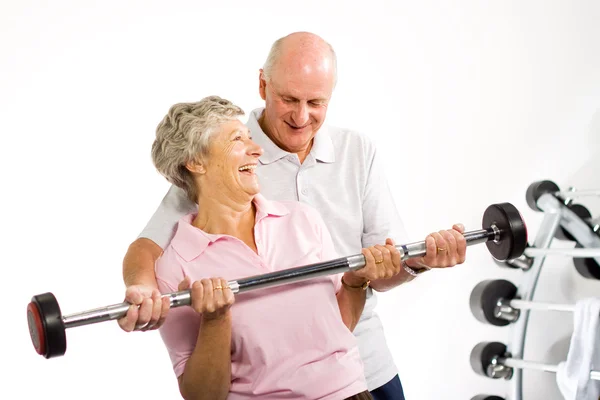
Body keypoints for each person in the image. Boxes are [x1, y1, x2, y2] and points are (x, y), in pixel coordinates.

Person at [119, 32, 467, 400]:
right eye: (288, 99)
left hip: (365, 366)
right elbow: (149, 248)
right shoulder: (216, 154)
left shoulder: (352, 158)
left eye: (316, 102)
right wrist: (143, 291)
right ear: (262, 85)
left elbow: (382, 264)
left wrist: (420, 262)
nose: (302, 116)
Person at [151, 95, 403, 399]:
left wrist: (354, 282)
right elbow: (202, 396)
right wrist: (215, 321)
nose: (256, 150)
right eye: (238, 139)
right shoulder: (176, 266)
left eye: (250, 138)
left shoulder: (301, 219)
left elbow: (336, 329)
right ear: (195, 162)